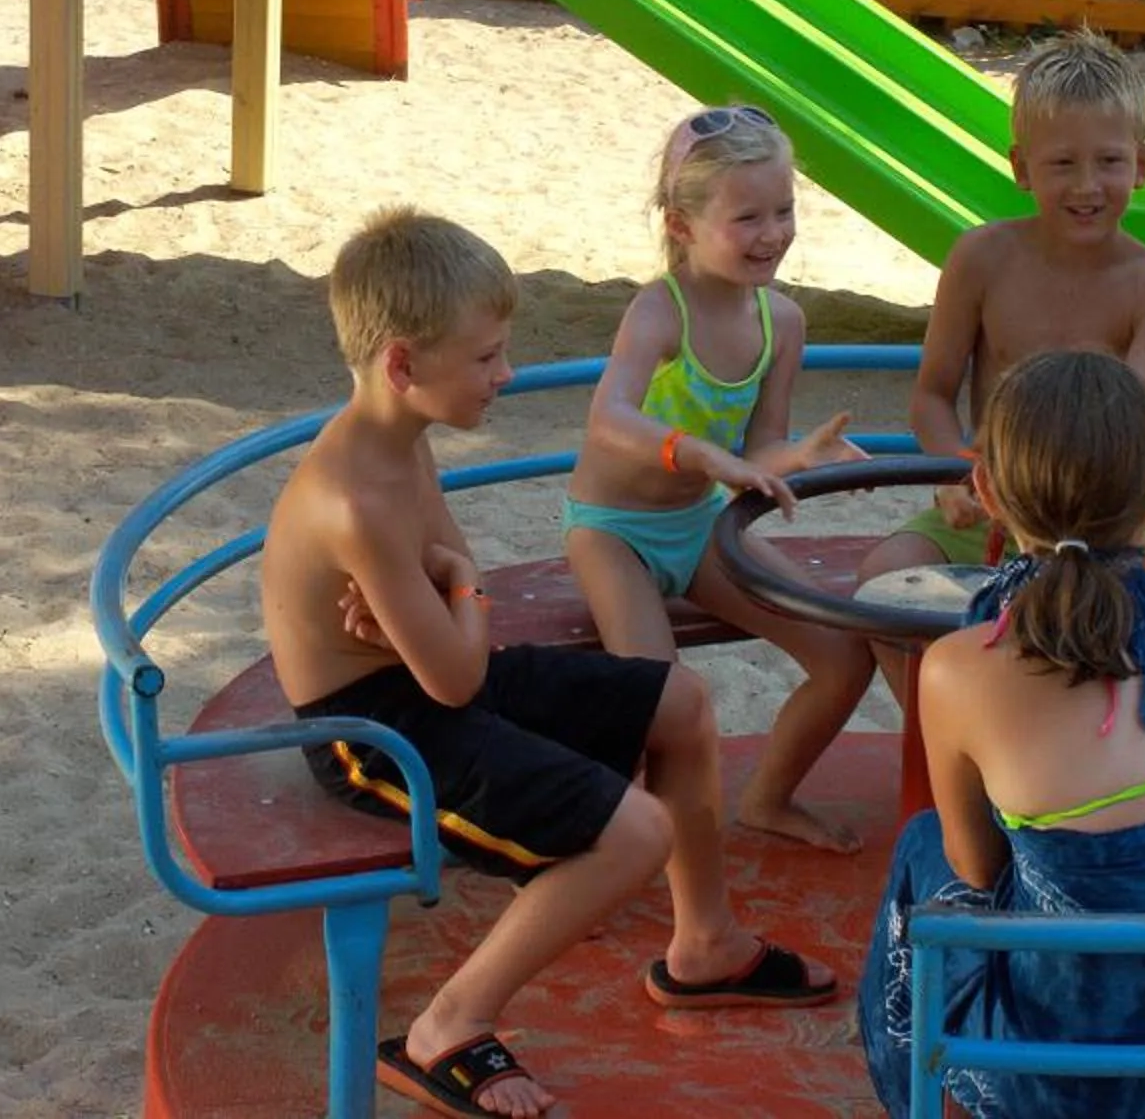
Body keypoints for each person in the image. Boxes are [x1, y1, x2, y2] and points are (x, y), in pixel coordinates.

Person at [263, 207, 837, 1119]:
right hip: (372, 731)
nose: (509, 374)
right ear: (405, 365)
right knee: (635, 831)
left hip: (428, 677)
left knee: (679, 702)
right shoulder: (353, 498)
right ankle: (445, 1028)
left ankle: (706, 946)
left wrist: (456, 590)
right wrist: (460, 594)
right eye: (487, 357)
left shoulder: (396, 438)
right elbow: (455, 668)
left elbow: (458, 578)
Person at [864, 351, 1145, 1119]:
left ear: (986, 492)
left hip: (1066, 1085)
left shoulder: (957, 668)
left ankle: (914, 1089)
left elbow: (975, 868)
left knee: (923, 847)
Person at [565, 106, 871, 853]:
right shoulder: (658, 312)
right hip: (614, 534)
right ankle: (602, 839)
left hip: (699, 528)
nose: (773, 233)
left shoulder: (783, 322)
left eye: (785, 210)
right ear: (681, 224)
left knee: (844, 657)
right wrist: (703, 457)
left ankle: (768, 799)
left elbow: (760, 447)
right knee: (666, 702)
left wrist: (793, 458)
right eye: (748, 218)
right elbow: (610, 418)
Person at [861, 28, 1145, 580]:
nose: (1086, 185)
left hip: (1107, 516)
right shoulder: (981, 258)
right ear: (1020, 168)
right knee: (882, 576)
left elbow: (1143, 424)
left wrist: (1110, 517)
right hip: (993, 503)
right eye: (1062, 164)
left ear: (1142, 164)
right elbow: (932, 395)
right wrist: (956, 471)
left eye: (1108, 161)